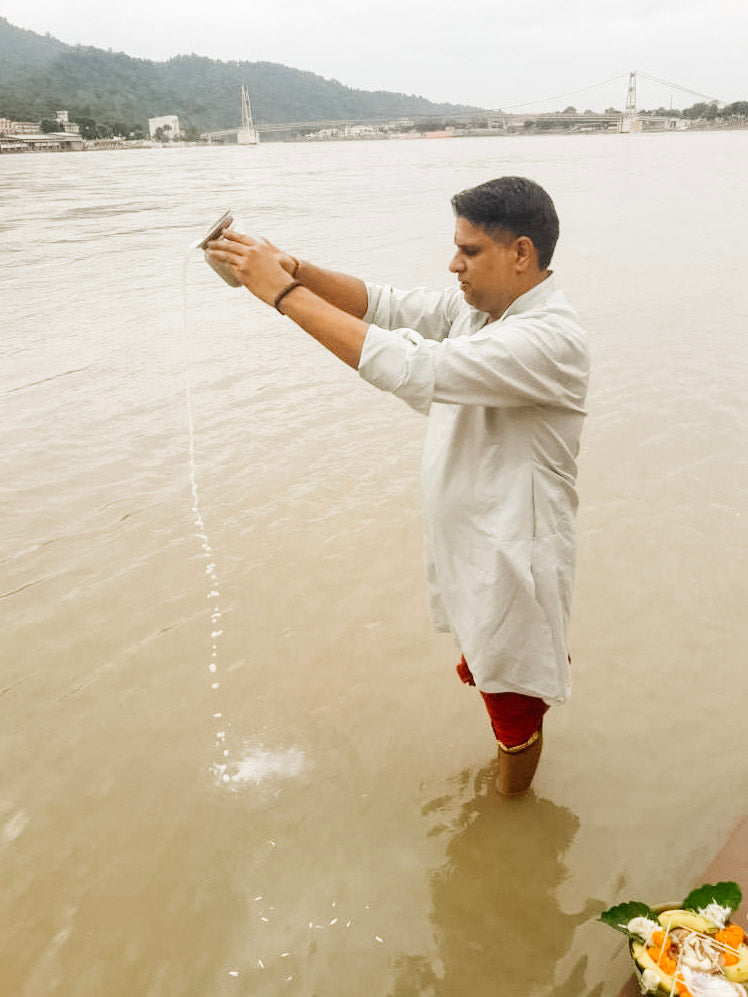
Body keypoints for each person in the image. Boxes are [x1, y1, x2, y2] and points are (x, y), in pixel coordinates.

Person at [207, 176, 589, 795]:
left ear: (521, 253)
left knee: (514, 698)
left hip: (513, 557)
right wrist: (295, 266)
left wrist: (283, 294)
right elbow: (383, 306)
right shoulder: (478, 312)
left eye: (469, 252)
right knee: (497, 672)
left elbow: (409, 366)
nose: (453, 264)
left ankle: (511, 808)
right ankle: (508, 783)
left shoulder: (547, 339)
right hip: (476, 546)